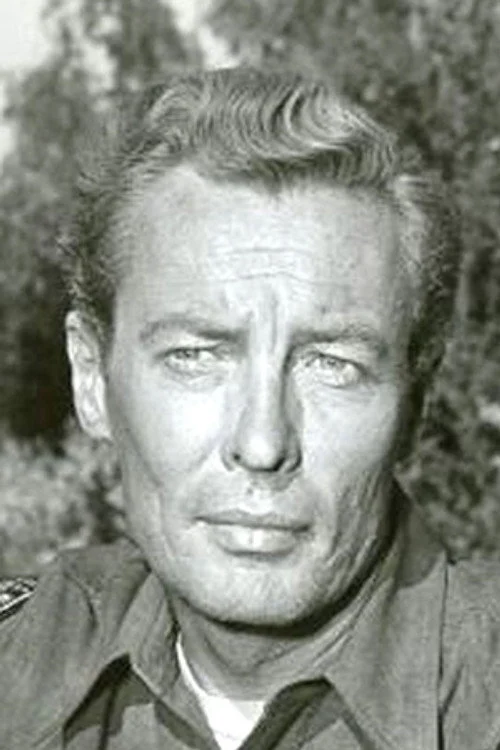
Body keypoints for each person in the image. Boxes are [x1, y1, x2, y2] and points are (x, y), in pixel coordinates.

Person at [1, 66, 499, 750]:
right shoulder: (20, 664)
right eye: (195, 356)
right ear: (91, 377)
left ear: (415, 401)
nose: (263, 443)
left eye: (334, 365)